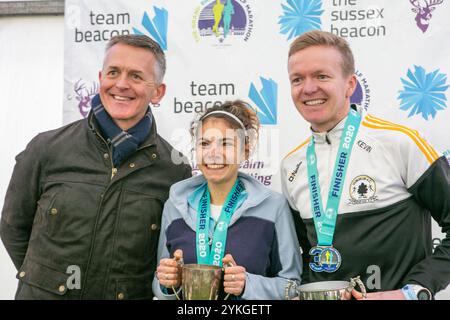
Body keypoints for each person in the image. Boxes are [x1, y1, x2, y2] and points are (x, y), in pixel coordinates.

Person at [0, 34, 191, 299]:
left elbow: (167, 257)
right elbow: (12, 227)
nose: (121, 84)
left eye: (136, 76)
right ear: (101, 78)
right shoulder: (47, 148)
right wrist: (46, 283)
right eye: (114, 72)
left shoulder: (174, 170)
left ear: (158, 91)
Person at [281, 30, 450, 300]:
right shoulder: (291, 165)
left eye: (322, 76)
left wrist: (415, 290)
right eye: (297, 79)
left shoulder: (400, 143)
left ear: (350, 85)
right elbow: (301, 254)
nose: (308, 88)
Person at [153, 100, 302, 300]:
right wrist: (167, 283)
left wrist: (248, 285)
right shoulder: (175, 206)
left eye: (226, 143)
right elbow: (160, 284)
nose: (213, 154)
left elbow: (291, 285)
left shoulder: (273, 207)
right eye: (204, 143)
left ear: (245, 151)